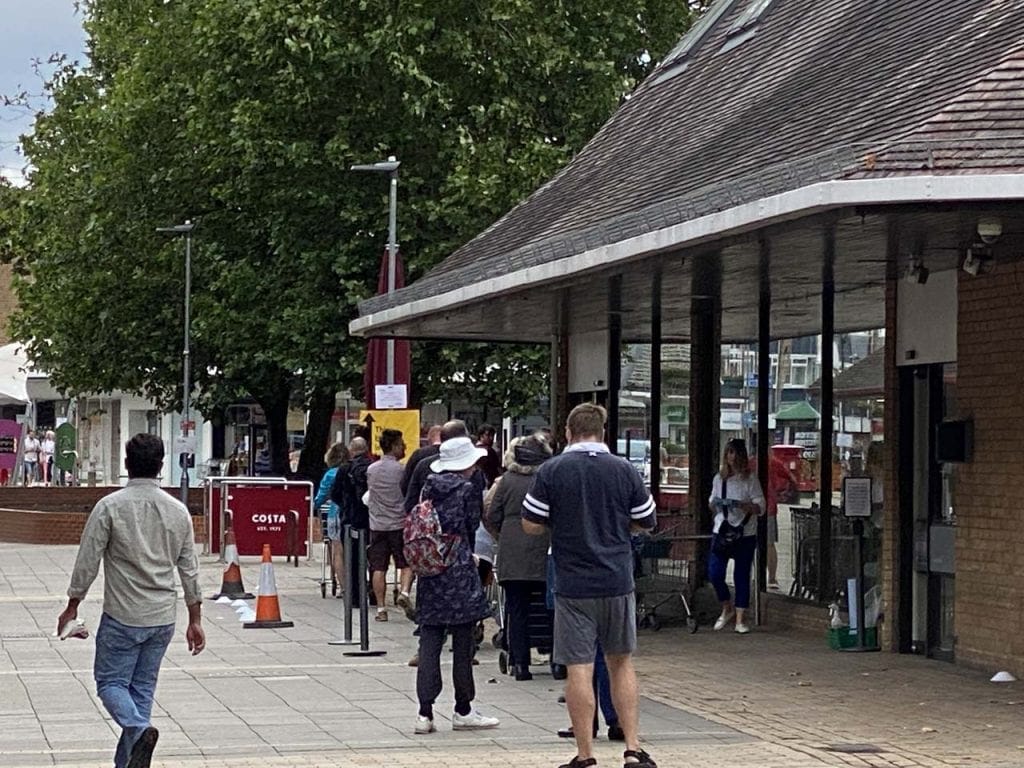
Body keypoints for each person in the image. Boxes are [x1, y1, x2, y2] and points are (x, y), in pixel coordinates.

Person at [57, 433, 204, 768]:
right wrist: (195, 619)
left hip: (123, 615)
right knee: (141, 692)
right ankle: (129, 759)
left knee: (110, 683)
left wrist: (72, 605)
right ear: (161, 466)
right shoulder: (177, 511)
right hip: (163, 617)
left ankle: (138, 730)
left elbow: (87, 561)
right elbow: (190, 570)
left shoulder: (109, 507)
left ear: (127, 465)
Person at [522, 403, 657, 768]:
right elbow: (647, 520)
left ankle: (585, 754)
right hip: (616, 579)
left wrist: (561, 523)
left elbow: (531, 524)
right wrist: (619, 527)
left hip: (572, 583)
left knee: (578, 667)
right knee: (621, 663)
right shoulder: (623, 469)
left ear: (568, 431)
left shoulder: (552, 470)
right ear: (603, 431)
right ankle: (632, 748)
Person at [413, 436, 500, 735]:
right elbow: (471, 525)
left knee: (430, 641)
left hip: (431, 567)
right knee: (463, 643)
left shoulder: (429, 486)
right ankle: (463, 708)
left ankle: (424, 712)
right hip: (459, 568)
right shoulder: (467, 489)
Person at [484, 432, 553, 681]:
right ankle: (557, 661)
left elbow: (491, 514)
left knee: (517, 608)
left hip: (512, 550)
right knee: (550, 607)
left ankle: (520, 664)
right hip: (545, 547)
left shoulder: (506, 481)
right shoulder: (547, 480)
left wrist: (502, 535)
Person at [708, 438, 766, 634]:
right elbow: (711, 503)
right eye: (729, 452)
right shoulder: (719, 478)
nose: (731, 457)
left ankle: (740, 619)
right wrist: (718, 503)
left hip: (745, 533)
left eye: (735, 453)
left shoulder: (750, 479)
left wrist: (742, 505)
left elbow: (761, 507)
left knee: (741, 575)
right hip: (722, 530)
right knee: (715, 573)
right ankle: (727, 607)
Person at [366, 428, 412, 620]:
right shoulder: (402, 471)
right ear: (394, 447)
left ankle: (381, 609)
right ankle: (405, 593)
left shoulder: (371, 470)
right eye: (401, 444)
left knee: (379, 567)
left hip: (377, 524)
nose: (404, 447)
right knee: (406, 563)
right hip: (399, 524)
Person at [751, 450, 797, 590]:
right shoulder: (773, 462)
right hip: (769, 506)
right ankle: (771, 578)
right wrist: (781, 492)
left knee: (753, 543)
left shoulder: (748, 463)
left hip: (751, 507)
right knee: (769, 544)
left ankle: (757, 576)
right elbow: (792, 479)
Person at [313, 442, 350, 597]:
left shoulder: (330, 475)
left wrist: (314, 505)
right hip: (351, 514)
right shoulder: (350, 471)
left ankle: (343, 588)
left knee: (337, 552)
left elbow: (320, 498)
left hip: (335, 513)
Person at [401, 424, 442, 496]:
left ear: (429, 439)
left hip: (422, 501)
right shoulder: (452, 455)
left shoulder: (418, 454)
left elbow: (405, 482)